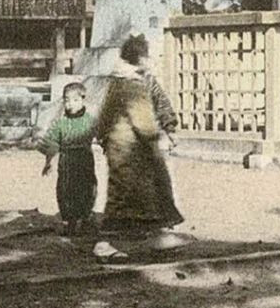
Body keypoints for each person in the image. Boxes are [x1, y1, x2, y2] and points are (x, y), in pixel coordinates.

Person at [92, 33, 184, 257]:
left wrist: (103, 137)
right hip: (131, 148)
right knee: (123, 196)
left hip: (119, 146)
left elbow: (105, 114)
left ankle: (156, 234)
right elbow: (142, 120)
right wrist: (157, 137)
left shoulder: (117, 81)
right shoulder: (134, 84)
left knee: (143, 192)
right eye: (146, 55)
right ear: (140, 58)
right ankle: (105, 243)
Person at [39, 81, 99, 235]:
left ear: (83, 100)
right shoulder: (60, 123)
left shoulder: (90, 121)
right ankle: (69, 221)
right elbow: (51, 141)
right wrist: (49, 161)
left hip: (85, 159)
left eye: (75, 100)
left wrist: (109, 146)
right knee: (66, 190)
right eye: (66, 100)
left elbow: (103, 134)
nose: (70, 104)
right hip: (67, 161)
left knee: (87, 189)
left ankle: (86, 218)